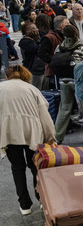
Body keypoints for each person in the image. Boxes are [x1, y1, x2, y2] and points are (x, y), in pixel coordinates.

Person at [0, 65, 56, 215]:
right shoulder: (32, 89)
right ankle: (41, 199)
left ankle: (25, 205)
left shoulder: (1, 88)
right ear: (25, 76)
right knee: (35, 166)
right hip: (32, 132)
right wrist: (51, 138)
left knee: (17, 167)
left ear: (8, 76)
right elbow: (45, 117)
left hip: (9, 132)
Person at [52, 25, 83, 144]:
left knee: (64, 107)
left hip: (63, 81)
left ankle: (57, 137)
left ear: (64, 35)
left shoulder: (59, 48)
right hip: (79, 82)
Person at [37, 15, 67, 88]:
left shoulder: (64, 36)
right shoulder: (49, 37)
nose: (70, 25)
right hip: (55, 71)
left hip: (65, 70)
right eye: (67, 23)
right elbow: (42, 53)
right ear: (62, 26)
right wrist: (55, 61)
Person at [19, 22, 47, 91]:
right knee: (35, 89)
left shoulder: (37, 39)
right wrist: (37, 39)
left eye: (36, 28)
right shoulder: (24, 42)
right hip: (32, 70)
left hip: (42, 69)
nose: (37, 30)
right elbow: (36, 50)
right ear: (27, 30)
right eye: (34, 28)